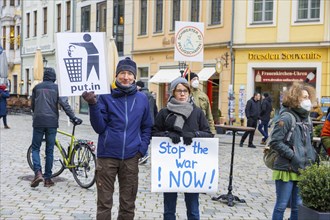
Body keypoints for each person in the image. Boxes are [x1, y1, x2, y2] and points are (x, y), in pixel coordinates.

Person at [82, 57, 152, 220]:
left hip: (131, 157)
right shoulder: (105, 96)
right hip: (107, 157)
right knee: (104, 204)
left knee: (128, 205)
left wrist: (141, 149)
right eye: (122, 73)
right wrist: (93, 104)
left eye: (129, 73)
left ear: (134, 77)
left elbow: (147, 126)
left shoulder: (142, 99)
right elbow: (99, 127)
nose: (126, 77)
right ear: (116, 75)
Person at [152, 77, 213, 220]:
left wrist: (194, 134)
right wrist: (168, 134)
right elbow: (154, 133)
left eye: (185, 90)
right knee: (169, 209)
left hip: (191, 167)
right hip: (170, 167)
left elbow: (208, 133)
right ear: (173, 92)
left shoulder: (197, 112)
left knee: (193, 209)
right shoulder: (164, 112)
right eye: (179, 90)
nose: (182, 94)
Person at [269, 82, 317, 220]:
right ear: (295, 99)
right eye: (303, 97)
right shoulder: (286, 118)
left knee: (298, 206)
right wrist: (293, 155)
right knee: (281, 205)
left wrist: (312, 157)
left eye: (308, 97)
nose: (307, 100)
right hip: (286, 168)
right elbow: (275, 142)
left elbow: (309, 141)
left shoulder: (307, 119)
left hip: (302, 167)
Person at [30, 67, 82, 188]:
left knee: (35, 148)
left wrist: (37, 113)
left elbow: (32, 105)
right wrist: (73, 117)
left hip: (38, 121)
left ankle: (38, 172)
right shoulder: (58, 88)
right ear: (54, 77)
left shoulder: (37, 88)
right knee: (50, 150)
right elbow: (64, 104)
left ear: (44, 76)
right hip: (52, 122)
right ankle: (48, 179)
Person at [136, 80, 158, 165]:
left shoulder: (141, 95)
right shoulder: (150, 95)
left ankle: (144, 154)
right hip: (151, 119)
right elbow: (155, 109)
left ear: (139, 86)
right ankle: (145, 154)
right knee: (146, 137)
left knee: (142, 137)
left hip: (143, 119)